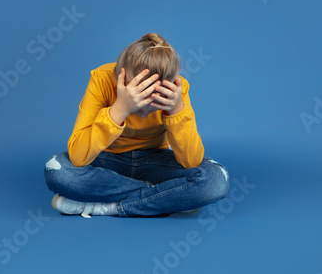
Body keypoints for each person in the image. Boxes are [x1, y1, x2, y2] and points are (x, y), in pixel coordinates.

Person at [44, 33, 229, 218]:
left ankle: (111, 207)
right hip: (108, 160)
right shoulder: (102, 79)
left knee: (216, 180)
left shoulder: (178, 91)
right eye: (139, 97)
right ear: (121, 77)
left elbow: (192, 161)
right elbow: (77, 157)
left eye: (155, 100)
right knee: (58, 170)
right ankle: (170, 197)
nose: (144, 111)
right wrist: (121, 109)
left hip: (154, 161)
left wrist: (176, 110)